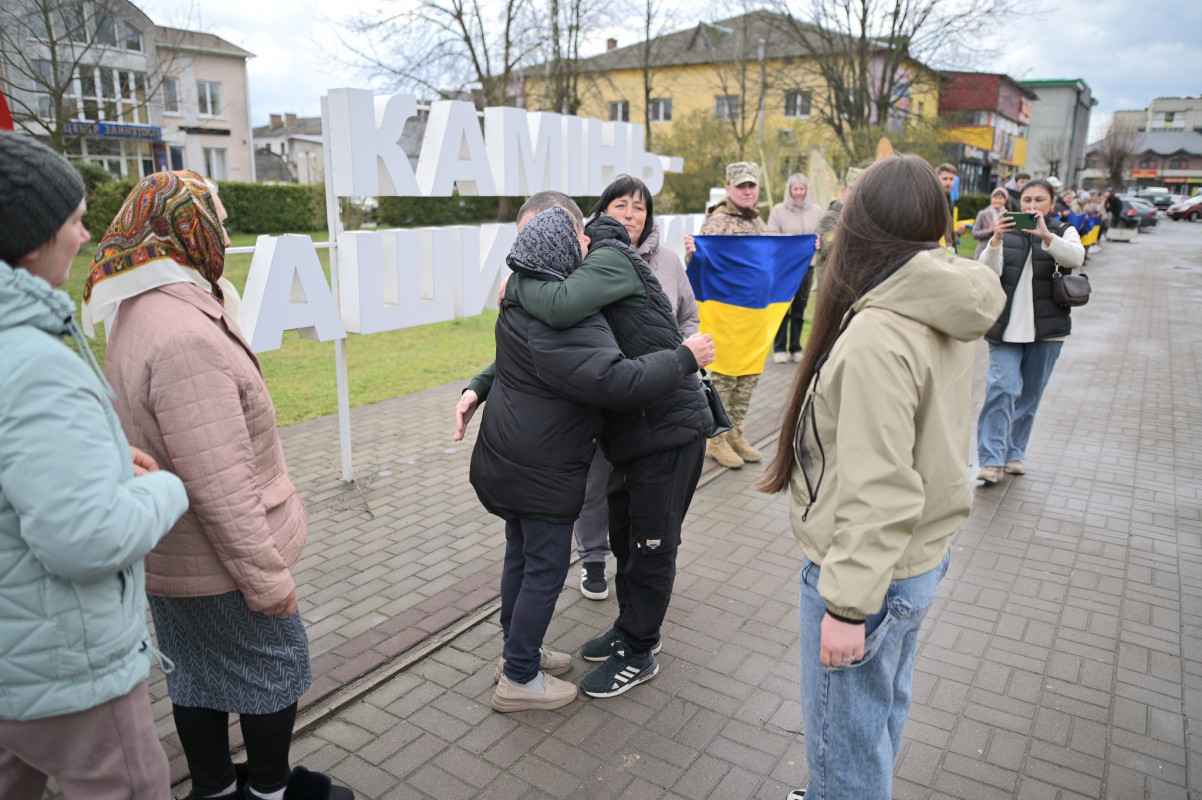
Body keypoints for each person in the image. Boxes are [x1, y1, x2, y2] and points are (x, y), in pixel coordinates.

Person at [86, 172, 354, 800]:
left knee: (197, 675)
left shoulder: (143, 306)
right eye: (217, 218)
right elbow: (220, 482)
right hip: (218, 561)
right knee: (273, 668)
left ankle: (211, 787)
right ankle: (269, 789)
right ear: (187, 229)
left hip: (174, 553)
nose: (225, 231)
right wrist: (268, 582)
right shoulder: (182, 335)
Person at [758, 154, 1006, 800]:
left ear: (861, 225)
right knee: (875, 723)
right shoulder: (945, 295)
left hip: (867, 578)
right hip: (916, 561)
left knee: (846, 753)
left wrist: (844, 606)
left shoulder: (879, 332)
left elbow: (880, 490)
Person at [0, 132, 189, 800]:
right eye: (75, 221)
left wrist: (101, 458)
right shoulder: (36, 365)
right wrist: (166, 487)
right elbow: (85, 537)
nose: (85, 236)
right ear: (30, 241)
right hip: (64, 670)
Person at [469, 197, 713, 712]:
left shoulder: (533, 294)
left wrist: (684, 359)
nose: (585, 245)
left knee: (643, 545)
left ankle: (624, 646)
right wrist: (685, 359)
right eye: (576, 241)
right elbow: (608, 378)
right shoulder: (555, 307)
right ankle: (521, 670)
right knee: (556, 563)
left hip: (651, 432)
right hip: (557, 461)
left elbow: (561, 355)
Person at [571, 176, 700, 601]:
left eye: (639, 207)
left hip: (656, 397)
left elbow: (688, 317)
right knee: (594, 481)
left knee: (638, 495)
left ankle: (640, 570)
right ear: (602, 210)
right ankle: (592, 558)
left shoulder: (667, 261)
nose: (630, 214)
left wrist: (678, 356)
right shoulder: (587, 256)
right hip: (604, 389)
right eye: (621, 205)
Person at [975, 177, 1085, 485]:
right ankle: (991, 460)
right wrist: (995, 240)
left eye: (1039, 200)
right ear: (1017, 202)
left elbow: (1076, 257)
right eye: (1026, 200)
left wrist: (1047, 236)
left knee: (1030, 395)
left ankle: (1014, 453)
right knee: (1002, 389)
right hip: (1006, 326)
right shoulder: (1006, 231)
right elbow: (988, 270)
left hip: (1047, 329)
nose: (1032, 206)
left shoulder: (1063, 231)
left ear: (1051, 204)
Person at [683, 160, 769, 469]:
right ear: (729, 188)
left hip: (752, 321)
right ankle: (716, 440)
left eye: (752, 185)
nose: (747, 191)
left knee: (747, 378)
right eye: (741, 186)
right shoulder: (719, 221)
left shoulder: (759, 222)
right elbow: (700, 262)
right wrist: (693, 252)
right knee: (724, 379)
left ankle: (736, 433)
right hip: (726, 319)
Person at [768, 172, 823, 363]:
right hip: (783, 268)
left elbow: (822, 234)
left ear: (806, 190)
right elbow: (772, 236)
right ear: (789, 190)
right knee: (783, 308)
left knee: (800, 308)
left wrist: (818, 243)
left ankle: (796, 347)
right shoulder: (778, 211)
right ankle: (780, 348)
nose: (798, 192)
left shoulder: (816, 211)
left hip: (806, 267)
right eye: (795, 189)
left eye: (802, 189)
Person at [970, 187, 1011, 260]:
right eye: (995, 198)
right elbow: (974, 233)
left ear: (1005, 200)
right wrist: (988, 231)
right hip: (983, 252)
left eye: (1000, 198)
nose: (997, 200)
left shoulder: (1009, 216)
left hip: (1002, 253)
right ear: (991, 199)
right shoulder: (982, 214)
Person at [936, 163, 970, 250]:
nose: (948, 183)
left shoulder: (949, 198)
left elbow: (947, 226)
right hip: (937, 249)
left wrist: (956, 231)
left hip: (948, 247)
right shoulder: (934, 198)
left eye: (951, 179)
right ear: (937, 178)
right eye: (945, 179)